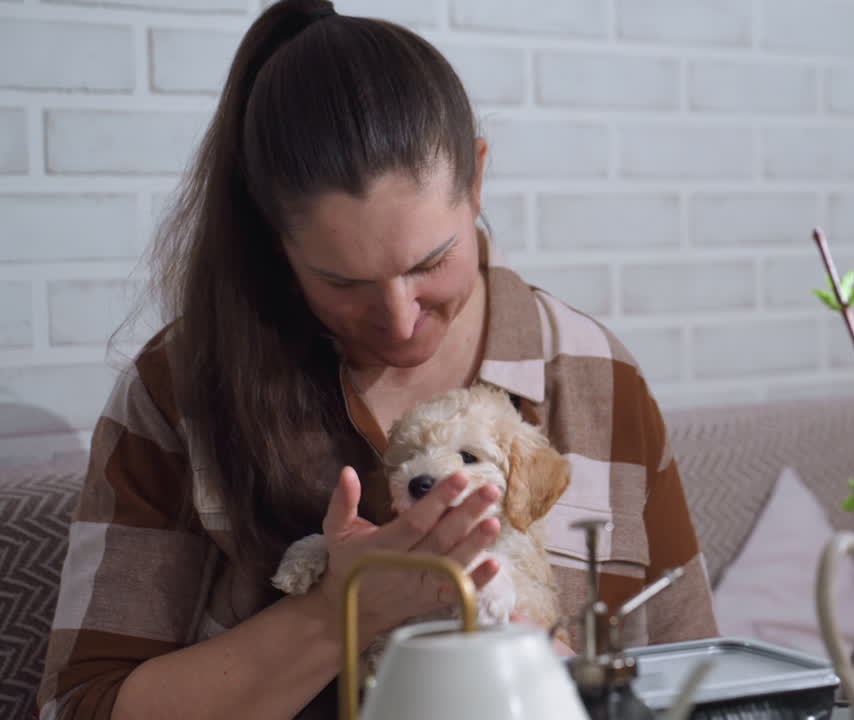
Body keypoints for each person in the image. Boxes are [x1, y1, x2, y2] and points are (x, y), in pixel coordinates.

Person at [37, 1, 718, 717]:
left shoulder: (595, 378)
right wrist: (339, 611)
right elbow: (79, 706)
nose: (397, 322)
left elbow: (699, 679)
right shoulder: (181, 391)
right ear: (276, 239)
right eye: (344, 283)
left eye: (432, 262)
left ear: (477, 179)